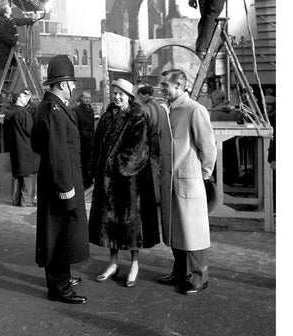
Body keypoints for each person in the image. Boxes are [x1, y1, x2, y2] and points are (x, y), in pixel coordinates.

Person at [89, 79, 160, 288]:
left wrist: (113, 165)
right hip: (108, 180)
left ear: (129, 96)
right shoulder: (106, 117)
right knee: (110, 224)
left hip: (130, 181)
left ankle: (135, 265)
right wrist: (96, 169)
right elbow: (97, 146)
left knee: (131, 226)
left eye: (121, 94)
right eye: (115, 93)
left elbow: (139, 151)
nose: (117, 97)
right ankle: (112, 263)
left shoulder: (137, 117)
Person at [31, 55, 90, 304]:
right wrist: (66, 188)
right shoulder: (55, 110)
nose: (74, 87)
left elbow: (37, 144)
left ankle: (62, 278)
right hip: (62, 183)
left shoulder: (48, 106)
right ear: (64, 84)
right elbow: (57, 153)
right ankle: (60, 289)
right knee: (57, 235)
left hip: (59, 180)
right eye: (72, 83)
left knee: (62, 234)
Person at [158, 69, 217, 295]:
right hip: (173, 180)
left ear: (180, 86)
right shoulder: (170, 110)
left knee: (193, 232)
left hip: (188, 179)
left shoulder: (195, 110)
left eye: (165, 85)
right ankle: (181, 272)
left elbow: (208, 148)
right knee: (177, 230)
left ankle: (199, 277)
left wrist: (202, 175)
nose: (162, 89)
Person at [4, 89, 39, 206]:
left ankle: (16, 199)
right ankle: (26, 201)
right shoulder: (23, 113)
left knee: (17, 174)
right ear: (18, 98)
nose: (27, 99)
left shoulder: (9, 113)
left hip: (15, 148)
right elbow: (31, 131)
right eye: (25, 97)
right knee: (28, 175)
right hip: (26, 148)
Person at [136, 84, 164, 204]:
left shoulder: (146, 108)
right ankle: (159, 196)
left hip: (151, 140)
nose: (140, 98)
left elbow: (143, 127)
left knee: (151, 168)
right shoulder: (159, 105)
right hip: (159, 139)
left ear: (146, 95)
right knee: (157, 167)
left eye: (140, 96)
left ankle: (155, 197)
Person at [71, 91, 95, 190]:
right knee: (82, 161)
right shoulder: (76, 110)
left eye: (89, 98)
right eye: (86, 98)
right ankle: (83, 181)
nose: (88, 100)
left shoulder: (91, 109)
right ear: (81, 98)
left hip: (90, 139)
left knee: (89, 160)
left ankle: (88, 180)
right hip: (82, 139)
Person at [0, 3, 19, 86]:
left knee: (8, 70)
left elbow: (17, 21)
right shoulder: (1, 21)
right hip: (3, 51)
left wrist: (30, 21)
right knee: (2, 72)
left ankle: (4, 90)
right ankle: (0, 92)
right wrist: (13, 41)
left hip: (8, 50)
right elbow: (2, 34)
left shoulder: (8, 19)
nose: (11, 9)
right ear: (6, 11)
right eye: (9, 8)